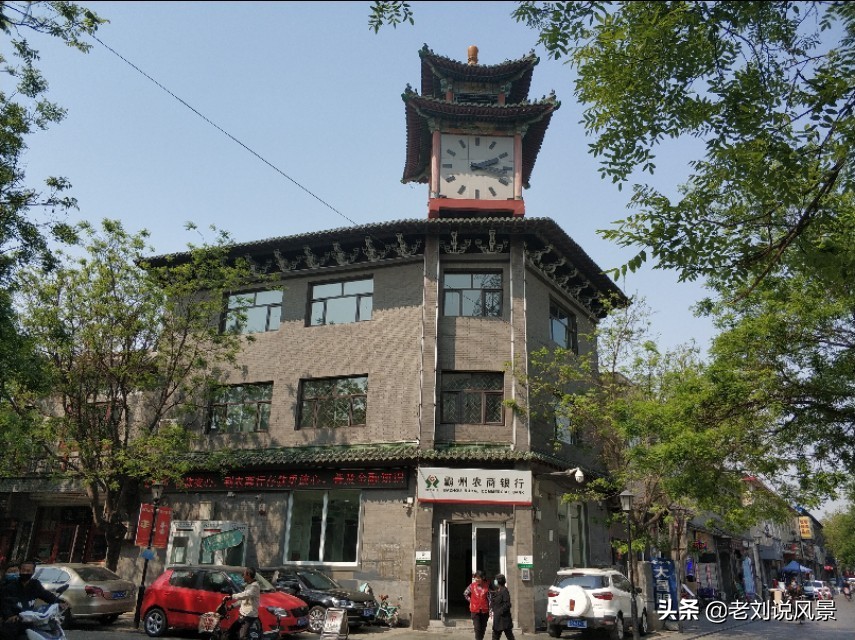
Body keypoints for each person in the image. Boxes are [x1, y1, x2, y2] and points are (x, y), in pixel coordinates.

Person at [1, 561, 65, 640]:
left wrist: (60, 602)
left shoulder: (35, 585)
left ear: (33, 572)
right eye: (23, 570)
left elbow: (46, 595)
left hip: (29, 622)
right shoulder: (10, 587)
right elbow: (5, 604)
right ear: (20, 570)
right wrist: (10, 616)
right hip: (12, 626)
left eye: (28, 571)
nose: (25, 573)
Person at [226, 567, 260, 640]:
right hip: (243, 616)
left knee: (242, 637)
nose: (243, 576)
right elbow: (243, 600)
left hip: (249, 616)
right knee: (231, 632)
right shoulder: (249, 586)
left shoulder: (255, 586)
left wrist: (232, 596)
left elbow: (245, 595)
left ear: (248, 575)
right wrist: (232, 606)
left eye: (244, 574)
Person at [463, 570, 491, 640]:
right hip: (475, 610)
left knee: (483, 628)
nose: (477, 579)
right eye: (475, 578)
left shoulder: (487, 586)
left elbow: (490, 598)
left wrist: (491, 608)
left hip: (485, 610)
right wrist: (471, 601)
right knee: (477, 628)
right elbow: (465, 594)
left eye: (478, 578)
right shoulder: (472, 585)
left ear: (483, 578)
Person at [490, 574, 514, 640]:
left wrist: (499, 611)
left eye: (495, 580)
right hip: (498, 619)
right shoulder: (498, 590)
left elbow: (507, 604)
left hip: (504, 619)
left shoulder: (504, 591)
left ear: (499, 581)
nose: (494, 581)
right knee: (495, 636)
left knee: (509, 635)